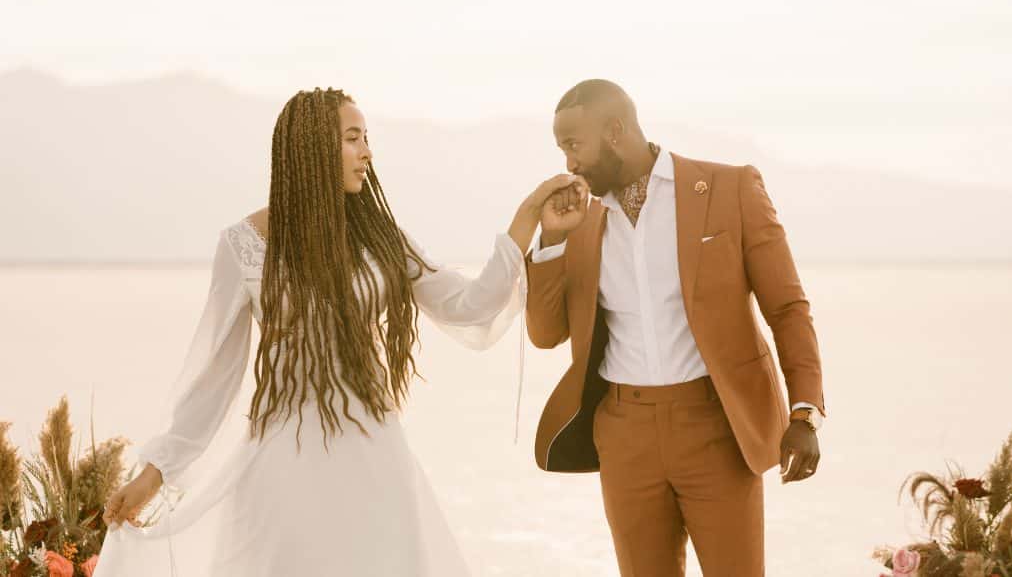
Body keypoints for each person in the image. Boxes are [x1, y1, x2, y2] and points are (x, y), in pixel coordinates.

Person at [95, 87, 583, 576]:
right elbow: (213, 381)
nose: (367, 151)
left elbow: (468, 305)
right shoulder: (243, 248)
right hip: (283, 462)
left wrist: (528, 220)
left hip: (374, 452)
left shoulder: (380, 237)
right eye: (353, 138)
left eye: (366, 137)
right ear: (311, 148)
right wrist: (153, 476)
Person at [525, 79, 826, 577]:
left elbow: (788, 308)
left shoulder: (730, 189)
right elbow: (544, 332)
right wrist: (552, 239)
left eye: (574, 146)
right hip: (624, 436)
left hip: (716, 428)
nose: (569, 165)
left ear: (616, 131)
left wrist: (805, 412)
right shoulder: (581, 221)